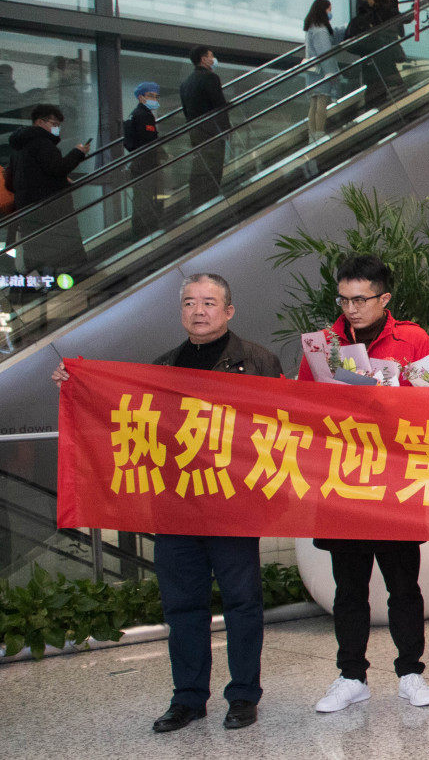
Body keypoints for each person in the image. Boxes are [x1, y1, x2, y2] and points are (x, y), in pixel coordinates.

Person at [52, 274, 281, 733]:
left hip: (232, 509)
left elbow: (282, 428)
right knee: (182, 607)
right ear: (181, 311)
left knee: (242, 604)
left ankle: (243, 696)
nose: (199, 310)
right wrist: (76, 385)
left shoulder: (258, 361)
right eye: (190, 302)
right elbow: (130, 424)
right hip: (176, 510)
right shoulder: (161, 368)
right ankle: (188, 699)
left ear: (229, 311)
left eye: (210, 302)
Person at [307, 255, 429, 713]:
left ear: (384, 298)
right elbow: (304, 408)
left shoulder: (413, 338)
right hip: (342, 479)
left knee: (403, 585)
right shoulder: (322, 343)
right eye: (343, 299)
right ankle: (351, 676)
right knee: (349, 588)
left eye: (360, 300)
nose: (351, 309)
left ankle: (410, 672)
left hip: (395, 479)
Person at [6, 103, 89, 274]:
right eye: (54, 124)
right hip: (52, 210)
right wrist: (78, 153)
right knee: (62, 254)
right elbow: (57, 168)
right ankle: (68, 284)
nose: (57, 128)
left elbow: (10, 181)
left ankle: (38, 289)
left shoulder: (18, 148)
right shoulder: (43, 143)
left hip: (28, 209)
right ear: (39, 122)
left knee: (37, 255)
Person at [179, 46, 228, 209]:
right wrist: (226, 129)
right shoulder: (211, 78)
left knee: (200, 168)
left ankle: (196, 204)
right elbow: (219, 105)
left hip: (195, 132)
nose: (213, 59)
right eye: (211, 56)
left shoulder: (185, 83)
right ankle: (210, 205)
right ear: (203, 59)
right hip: (212, 131)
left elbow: (186, 111)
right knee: (213, 171)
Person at [123, 83, 165, 234]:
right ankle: (146, 231)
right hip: (146, 164)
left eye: (156, 96)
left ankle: (140, 231)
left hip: (137, 162)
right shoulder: (144, 115)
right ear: (141, 97)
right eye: (151, 96)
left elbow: (128, 142)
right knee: (146, 200)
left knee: (141, 199)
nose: (154, 99)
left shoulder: (133, 114)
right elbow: (150, 141)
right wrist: (161, 154)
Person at [302, 0, 342, 99]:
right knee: (321, 106)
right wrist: (333, 75)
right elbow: (326, 56)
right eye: (329, 10)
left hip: (314, 77)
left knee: (314, 107)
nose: (330, 13)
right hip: (322, 78)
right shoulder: (320, 31)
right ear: (323, 11)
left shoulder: (312, 27)